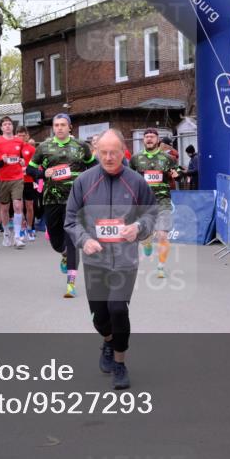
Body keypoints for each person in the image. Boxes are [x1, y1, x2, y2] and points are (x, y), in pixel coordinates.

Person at [65, 129, 157, 390]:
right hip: (95, 261)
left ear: (122, 152)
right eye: (103, 152)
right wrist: (85, 240)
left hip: (125, 260)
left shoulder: (136, 182)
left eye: (113, 152)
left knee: (118, 309)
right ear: (96, 152)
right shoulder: (83, 181)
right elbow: (71, 220)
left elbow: (151, 213)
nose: (108, 157)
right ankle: (108, 340)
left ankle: (120, 362)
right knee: (99, 317)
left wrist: (138, 227)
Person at [28, 113, 96, 298]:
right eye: (56, 125)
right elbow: (30, 169)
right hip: (52, 199)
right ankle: (63, 252)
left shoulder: (81, 147)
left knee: (72, 238)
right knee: (57, 241)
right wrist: (43, 174)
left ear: (70, 127)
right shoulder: (44, 147)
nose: (59, 128)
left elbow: (94, 166)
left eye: (63, 125)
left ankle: (71, 282)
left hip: (75, 200)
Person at [129, 127, 180, 277]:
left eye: (152, 136)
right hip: (143, 202)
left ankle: (160, 266)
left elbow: (179, 171)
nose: (149, 139)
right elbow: (128, 177)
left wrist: (177, 175)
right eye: (147, 137)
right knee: (145, 235)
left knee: (162, 235)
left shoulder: (167, 158)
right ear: (143, 140)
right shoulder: (135, 159)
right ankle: (146, 241)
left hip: (163, 201)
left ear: (158, 140)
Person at [0, 116, 28, 249]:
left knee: (18, 206)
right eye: (5, 124)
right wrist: (1, 159)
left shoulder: (19, 141)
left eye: (9, 124)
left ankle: (17, 236)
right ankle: (7, 233)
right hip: (2, 178)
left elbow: (23, 157)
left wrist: (22, 161)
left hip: (17, 177)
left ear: (12, 127)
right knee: (4, 209)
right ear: (1, 128)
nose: (7, 126)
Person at [17, 126, 38, 240]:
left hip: (29, 181)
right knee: (18, 207)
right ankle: (22, 228)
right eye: (19, 135)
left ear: (27, 136)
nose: (21, 137)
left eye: (23, 135)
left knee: (29, 206)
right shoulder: (13, 149)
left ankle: (30, 228)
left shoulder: (31, 149)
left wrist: (26, 168)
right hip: (16, 181)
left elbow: (35, 165)